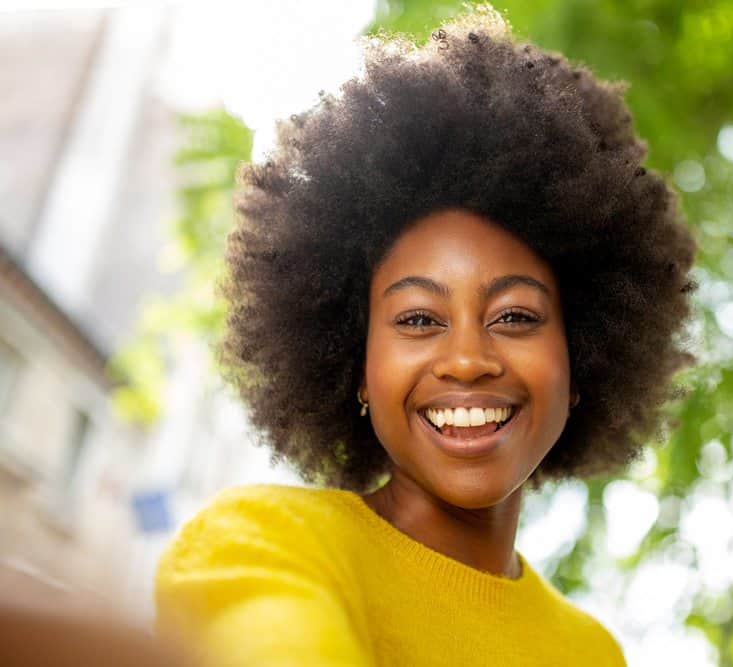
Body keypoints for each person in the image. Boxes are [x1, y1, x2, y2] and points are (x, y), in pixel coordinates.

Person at [155, 5, 696, 665]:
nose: (467, 359)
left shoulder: (593, 652)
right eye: (418, 319)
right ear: (354, 363)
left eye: (516, 317)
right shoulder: (267, 542)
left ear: (582, 360)